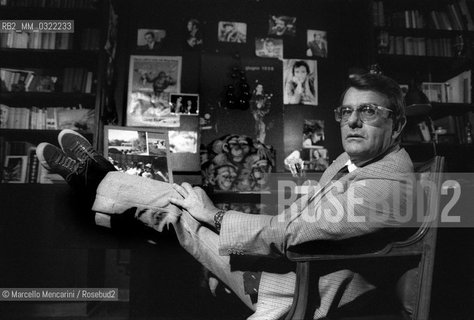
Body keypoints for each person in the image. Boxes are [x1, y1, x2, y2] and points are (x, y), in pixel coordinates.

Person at [36, 73, 412, 319]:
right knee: (177, 208)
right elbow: (307, 218)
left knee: (181, 210)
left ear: (397, 124)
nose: (352, 121)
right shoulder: (354, 161)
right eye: (346, 111)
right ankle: (92, 178)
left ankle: (92, 177)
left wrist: (213, 215)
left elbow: (287, 234)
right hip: (295, 269)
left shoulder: (387, 185)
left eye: (368, 111)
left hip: (299, 287)